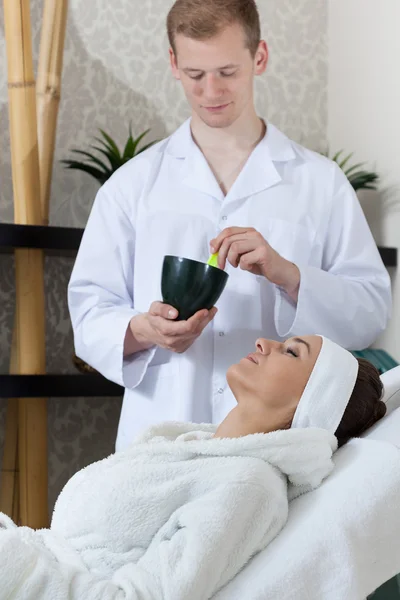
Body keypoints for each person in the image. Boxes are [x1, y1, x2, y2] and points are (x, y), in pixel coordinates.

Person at [67, 0, 391, 452]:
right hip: (159, 438)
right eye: (195, 75)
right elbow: (89, 314)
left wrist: (289, 277)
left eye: (227, 71)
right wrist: (144, 330)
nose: (211, 90)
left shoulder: (320, 184)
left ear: (259, 57)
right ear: (173, 63)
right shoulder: (132, 187)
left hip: (276, 446)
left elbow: (370, 311)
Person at [0, 335, 387, 600]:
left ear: (311, 401)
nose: (263, 343)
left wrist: (16, 569)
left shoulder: (247, 486)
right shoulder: (193, 450)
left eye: (291, 352)